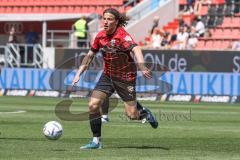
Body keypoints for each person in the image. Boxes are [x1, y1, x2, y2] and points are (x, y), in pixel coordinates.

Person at [72, 8, 158, 150]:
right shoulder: (100, 36)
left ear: (116, 21)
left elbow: (136, 49)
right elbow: (90, 55)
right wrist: (79, 72)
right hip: (108, 75)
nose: (105, 21)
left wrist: (142, 66)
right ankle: (96, 141)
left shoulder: (122, 36)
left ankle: (143, 112)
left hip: (125, 77)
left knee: (131, 115)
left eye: (109, 19)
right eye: (104, 18)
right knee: (93, 105)